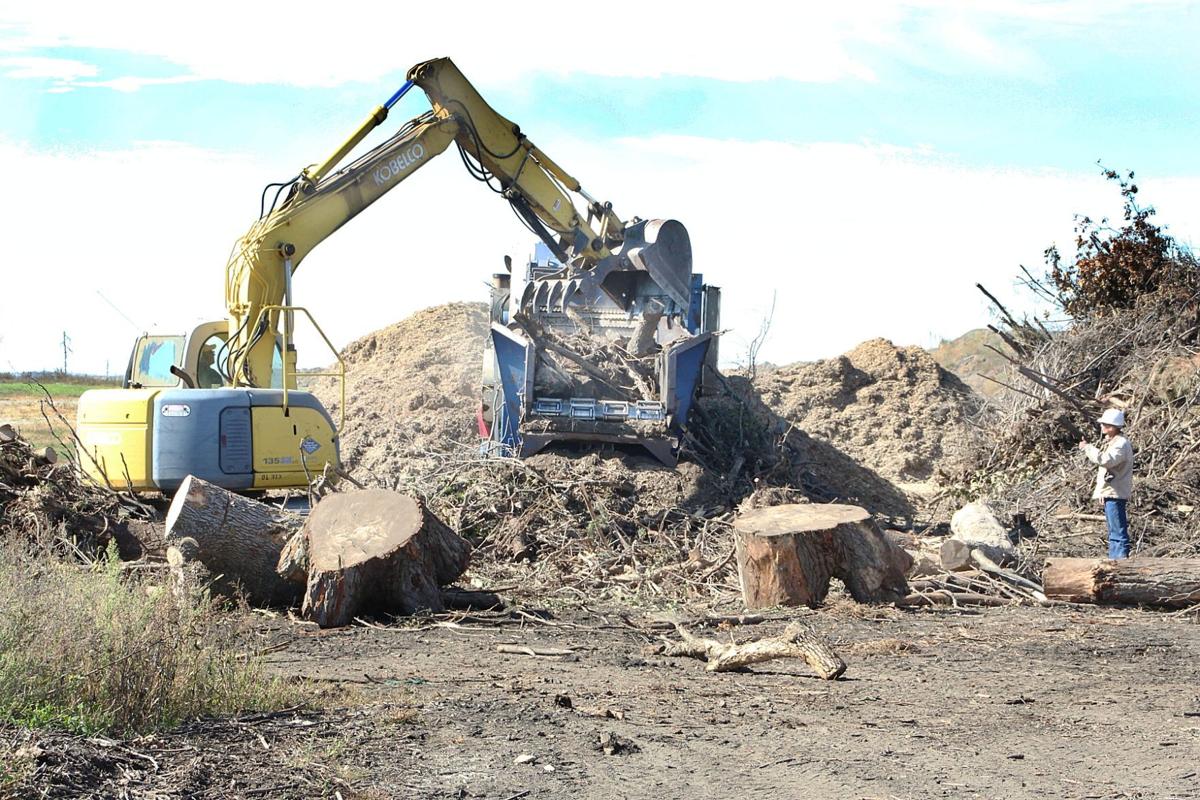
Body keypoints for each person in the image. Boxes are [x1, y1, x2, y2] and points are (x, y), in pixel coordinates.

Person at [1078, 409, 1134, 559]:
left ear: (1112, 426)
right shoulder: (1114, 442)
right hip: (1111, 492)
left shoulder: (1120, 444)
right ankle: (1114, 561)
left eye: (1104, 424)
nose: (1102, 426)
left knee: (1117, 532)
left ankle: (1120, 565)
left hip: (1115, 493)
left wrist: (1087, 448)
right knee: (1113, 531)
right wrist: (1104, 492)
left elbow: (1106, 460)